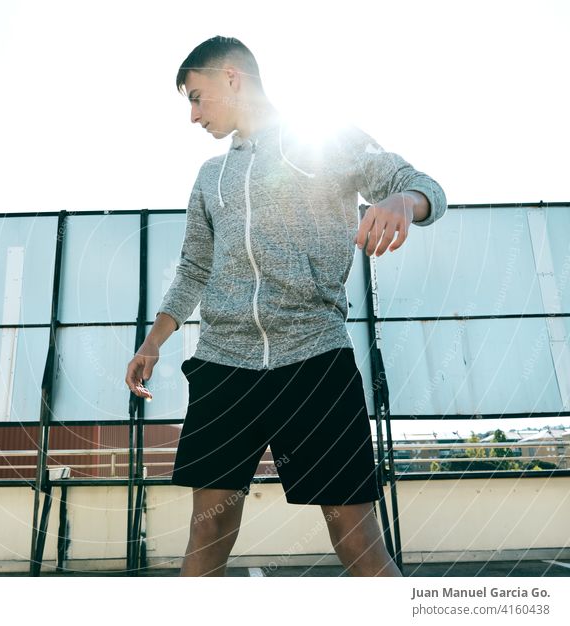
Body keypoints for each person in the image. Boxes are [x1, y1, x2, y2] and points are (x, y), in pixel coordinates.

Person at [124, 35, 446, 577]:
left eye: (197, 97)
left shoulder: (323, 140)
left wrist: (400, 201)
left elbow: (419, 184)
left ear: (232, 77)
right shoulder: (210, 178)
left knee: (355, 533)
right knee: (207, 531)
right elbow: (193, 269)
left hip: (314, 357)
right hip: (225, 366)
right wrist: (153, 342)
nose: (193, 115)